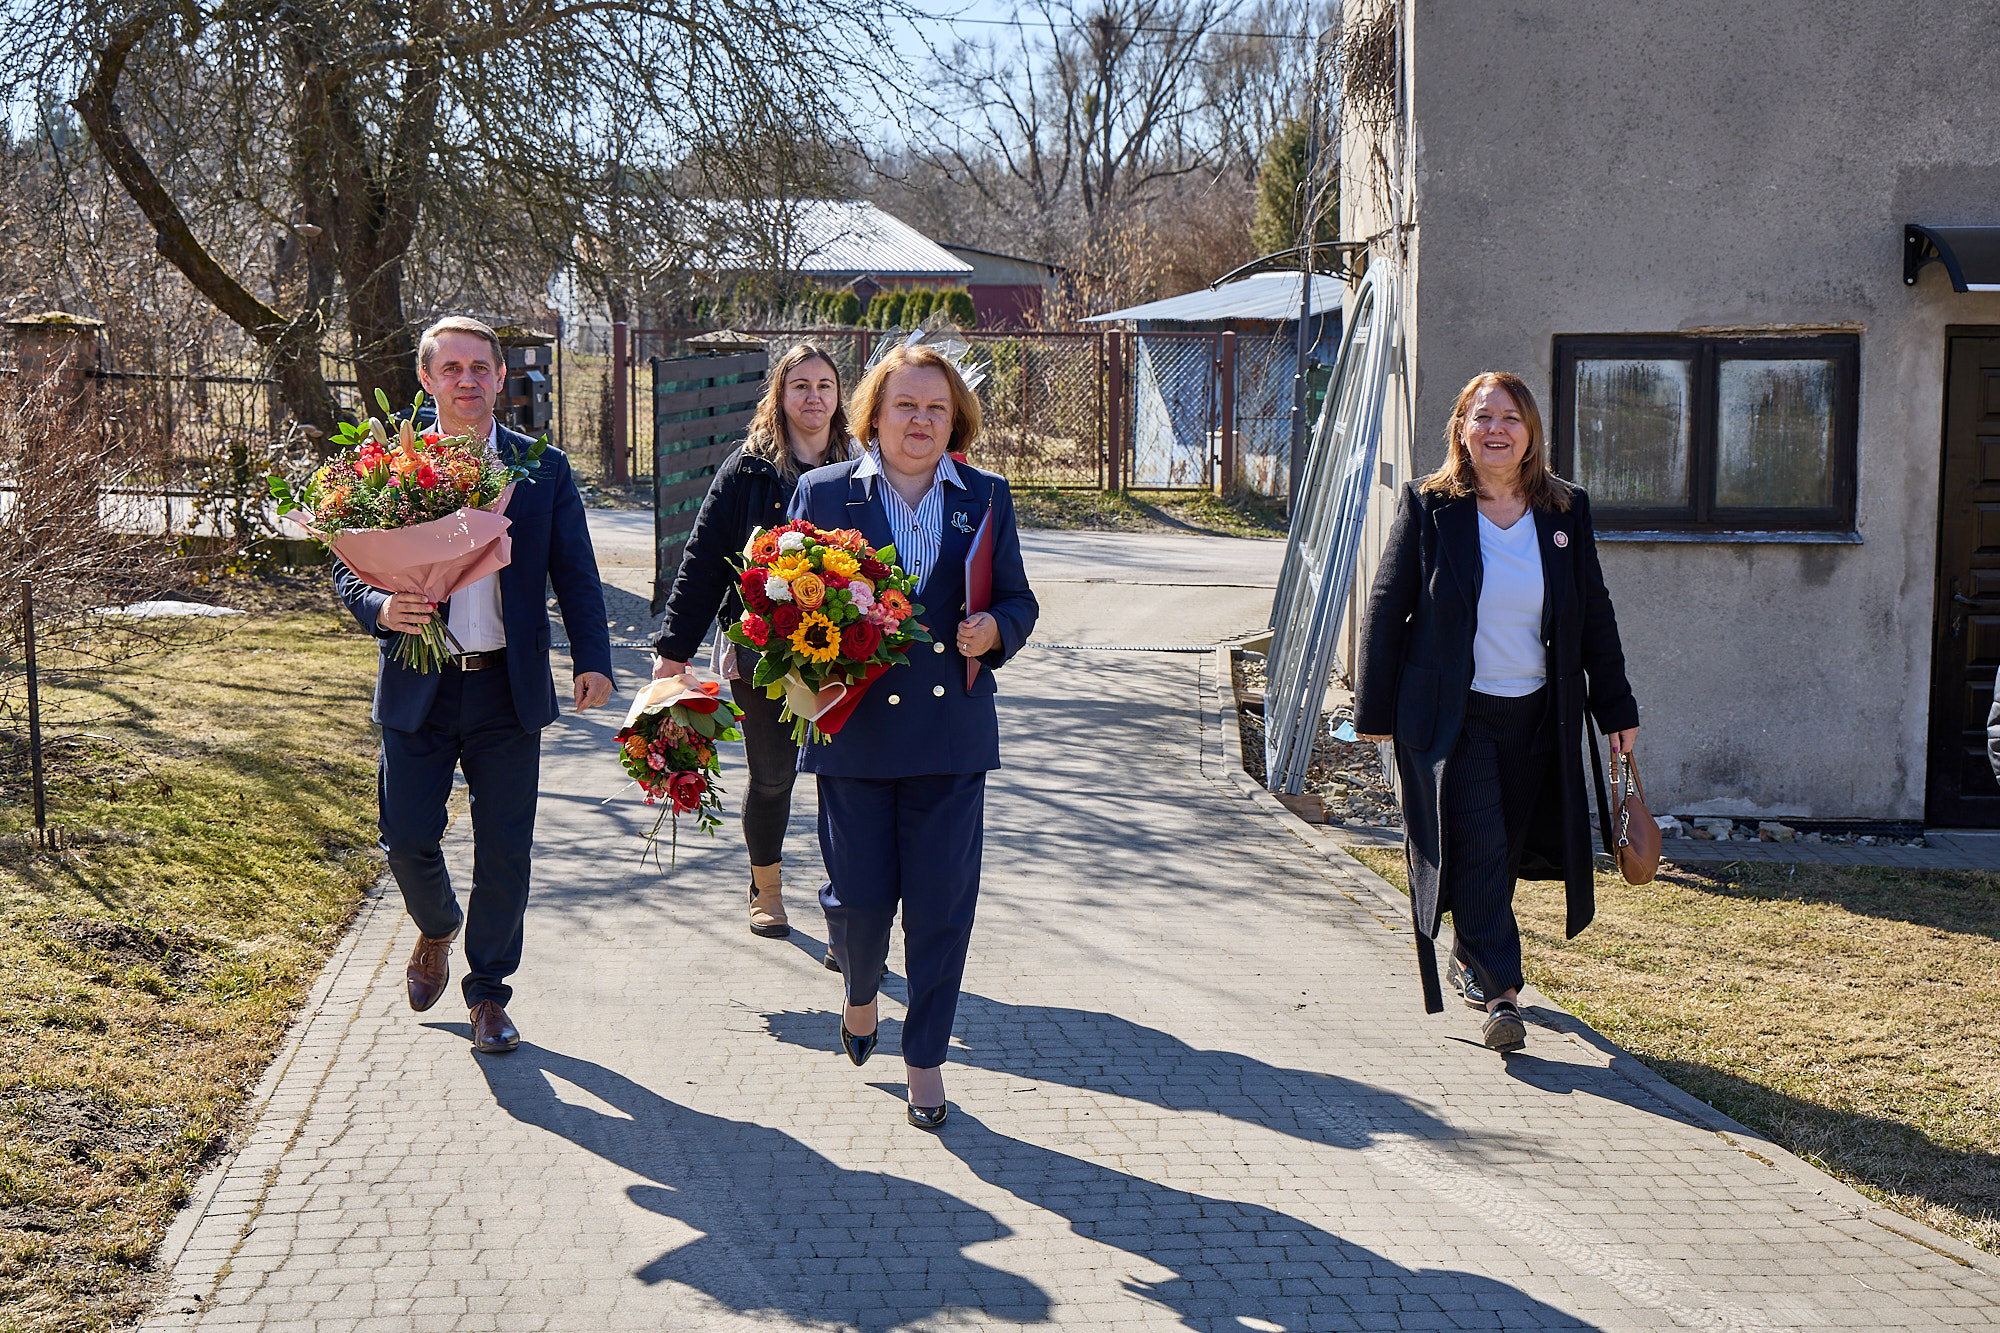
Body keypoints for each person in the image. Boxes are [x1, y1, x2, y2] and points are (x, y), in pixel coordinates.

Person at [333, 316, 615, 1055]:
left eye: (480, 367)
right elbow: (345, 563)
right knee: (405, 837)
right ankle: (435, 925)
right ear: (427, 379)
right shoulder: (388, 466)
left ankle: (489, 993)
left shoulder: (541, 467)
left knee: (506, 852)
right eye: (451, 368)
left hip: (505, 688)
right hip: (418, 680)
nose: (467, 380)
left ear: (499, 376)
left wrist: (594, 658)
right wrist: (381, 607)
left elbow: (575, 572)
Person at [790, 343, 1038, 1130]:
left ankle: (925, 1058)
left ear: (954, 417)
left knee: (940, 908)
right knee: (860, 902)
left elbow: (1019, 601)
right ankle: (862, 989)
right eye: (905, 406)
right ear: (873, 415)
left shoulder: (986, 497)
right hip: (853, 735)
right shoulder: (824, 494)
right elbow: (782, 611)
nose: (921, 420)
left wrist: (995, 628)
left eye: (936, 407)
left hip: (950, 739)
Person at [1353, 371, 1637, 1054]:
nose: (1497, 429)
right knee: (1477, 842)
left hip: (1542, 714)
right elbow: (1390, 607)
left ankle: (1472, 955)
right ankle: (1503, 993)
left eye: (1510, 417)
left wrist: (1617, 709)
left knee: (1500, 853)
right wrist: (1375, 706)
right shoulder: (1431, 506)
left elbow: (1593, 613)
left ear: (1531, 431)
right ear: (1462, 430)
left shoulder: (1566, 511)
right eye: (1482, 417)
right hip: (1459, 714)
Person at [653, 344, 855, 937]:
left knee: (846, 780)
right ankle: (766, 888)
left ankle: (849, 911)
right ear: (779, 395)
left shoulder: (865, 466)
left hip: (846, 647)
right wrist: (674, 649)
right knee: (772, 777)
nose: (813, 397)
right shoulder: (746, 469)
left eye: (824, 385)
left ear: (840, 396)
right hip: (759, 648)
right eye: (801, 386)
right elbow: (703, 561)